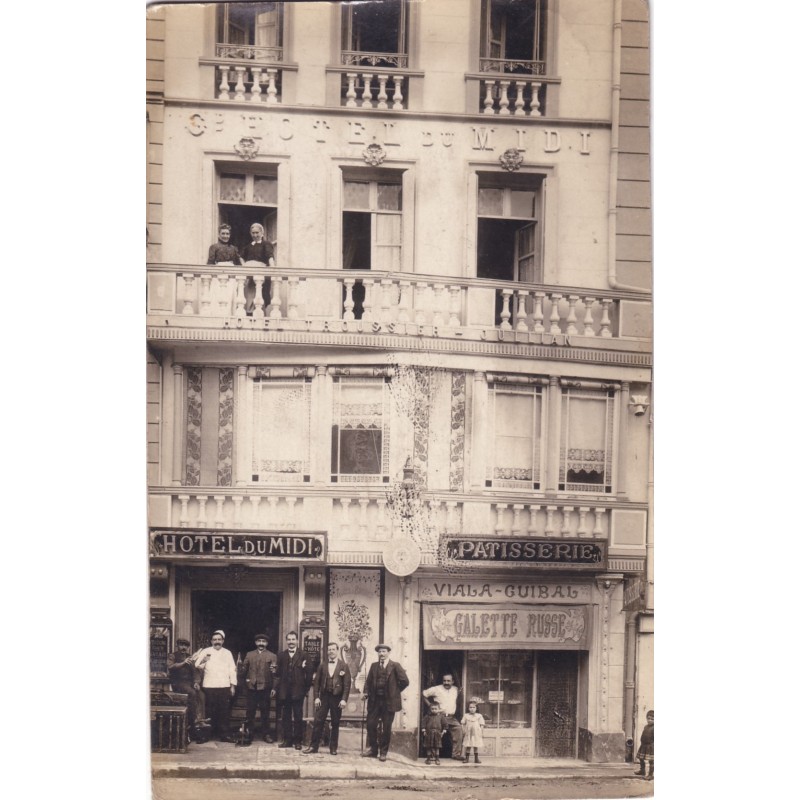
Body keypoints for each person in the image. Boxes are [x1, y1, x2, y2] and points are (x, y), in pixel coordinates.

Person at [362, 643, 409, 762]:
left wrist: (395, 692)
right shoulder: (374, 666)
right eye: (379, 652)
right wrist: (365, 692)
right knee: (370, 724)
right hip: (375, 701)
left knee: (386, 728)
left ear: (388, 652)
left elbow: (405, 681)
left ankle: (383, 752)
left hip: (389, 702)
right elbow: (368, 682)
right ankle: (373, 749)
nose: (381, 654)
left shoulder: (395, 665)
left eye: (384, 651)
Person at [303, 642, 352, 755]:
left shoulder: (344, 666)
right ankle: (313, 747)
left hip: (337, 698)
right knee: (318, 721)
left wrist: (344, 699)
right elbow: (316, 684)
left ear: (337, 650)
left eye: (333, 649)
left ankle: (333, 748)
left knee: (335, 722)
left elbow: (347, 685)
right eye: (329, 650)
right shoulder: (322, 665)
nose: (331, 652)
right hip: (324, 697)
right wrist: (316, 698)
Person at [194, 630, 237, 742]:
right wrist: (204, 659)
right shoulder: (206, 651)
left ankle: (224, 735)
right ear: (211, 641)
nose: (217, 642)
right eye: (214, 640)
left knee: (224, 711)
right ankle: (206, 735)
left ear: (223, 641)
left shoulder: (227, 653)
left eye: (219, 639)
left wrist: (232, 686)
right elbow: (198, 665)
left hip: (224, 685)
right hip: (209, 685)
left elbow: (232, 670)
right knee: (209, 711)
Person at [272, 630, 314, 749]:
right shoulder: (281, 655)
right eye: (289, 639)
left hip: (298, 691)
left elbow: (309, 673)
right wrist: (277, 688)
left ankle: (298, 742)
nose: (291, 642)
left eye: (293, 639)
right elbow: (278, 674)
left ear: (297, 640)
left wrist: (305, 689)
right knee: (286, 716)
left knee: (298, 716)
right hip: (284, 692)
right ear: (286, 641)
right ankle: (287, 740)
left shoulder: (304, 655)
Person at [242, 633, 278, 743]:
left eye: (263, 642)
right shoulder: (249, 654)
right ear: (256, 643)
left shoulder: (272, 656)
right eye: (259, 641)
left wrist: (274, 688)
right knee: (250, 712)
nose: (261, 644)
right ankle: (249, 734)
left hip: (265, 688)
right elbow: (243, 670)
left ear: (266, 643)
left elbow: (275, 674)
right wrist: (246, 681)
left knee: (265, 712)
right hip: (251, 688)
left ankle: (266, 734)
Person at [167, 638, 206, 737]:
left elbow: (195, 671)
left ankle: (199, 720)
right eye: (181, 645)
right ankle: (192, 722)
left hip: (189, 683)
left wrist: (197, 682)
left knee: (202, 695)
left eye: (186, 645)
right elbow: (170, 667)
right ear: (177, 645)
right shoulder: (172, 656)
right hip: (178, 683)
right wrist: (183, 662)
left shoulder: (190, 657)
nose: (183, 647)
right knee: (192, 693)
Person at [422, 672, 465, 761]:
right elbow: (423, 694)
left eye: (448, 681)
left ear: (453, 681)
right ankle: (433, 756)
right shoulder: (436, 689)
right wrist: (430, 705)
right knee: (434, 734)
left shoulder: (456, 689)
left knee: (459, 730)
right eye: (444, 681)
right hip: (438, 717)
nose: (446, 683)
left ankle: (456, 754)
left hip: (451, 717)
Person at [242, 222, 275, 314]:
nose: (255, 235)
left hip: (260, 271)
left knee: (260, 293)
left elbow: (270, 256)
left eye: (257, 232)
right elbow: (241, 257)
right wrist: (244, 265)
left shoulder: (266, 244)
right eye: (253, 233)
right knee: (249, 293)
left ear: (262, 233)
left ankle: (260, 313)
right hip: (249, 272)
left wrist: (273, 268)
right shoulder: (249, 246)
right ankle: (249, 312)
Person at [460, 699, 486, 764]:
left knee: (475, 745)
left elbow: (482, 724)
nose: (472, 709)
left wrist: (481, 732)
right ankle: (467, 758)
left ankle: (476, 759)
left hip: (476, 732)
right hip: (468, 733)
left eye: (473, 707)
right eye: (470, 707)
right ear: (468, 708)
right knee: (468, 745)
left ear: (476, 708)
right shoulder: (466, 715)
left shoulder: (479, 716)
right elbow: (462, 724)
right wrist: (463, 731)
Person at [421, 700, 444, 765]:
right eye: (432, 709)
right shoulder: (427, 716)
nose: (434, 710)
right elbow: (423, 723)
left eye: (435, 709)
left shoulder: (441, 717)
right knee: (428, 746)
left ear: (439, 709)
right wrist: (424, 730)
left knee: (437, 746)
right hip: (429, 733)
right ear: (430, 709)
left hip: (437, 733)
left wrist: (443, 731)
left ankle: (437, 759)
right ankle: (428, 759)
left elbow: (445, 724)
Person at [634, 710, 654, 780]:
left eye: (652, 719)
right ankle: (642, 770)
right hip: (643, 745)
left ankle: (651, 775)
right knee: (641, 758)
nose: (650, 720)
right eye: (648, 718)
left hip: (651, 746)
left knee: (651, 761)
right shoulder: (646, 727)